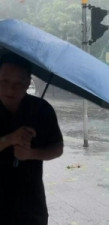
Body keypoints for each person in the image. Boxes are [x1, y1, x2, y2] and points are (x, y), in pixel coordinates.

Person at [0, 53, 63, 225]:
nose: (10, 90)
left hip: (30, 205)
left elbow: (58, 148)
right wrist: (10, 139)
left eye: (18, 83)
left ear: (28, 82)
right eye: (4, 81)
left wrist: (31, 154)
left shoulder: (42, 110)